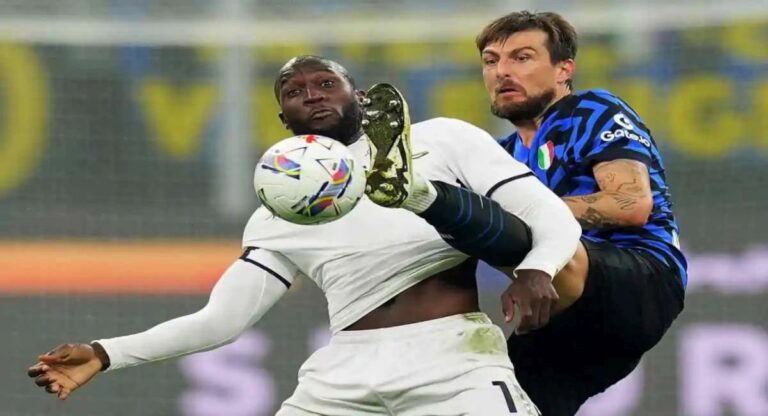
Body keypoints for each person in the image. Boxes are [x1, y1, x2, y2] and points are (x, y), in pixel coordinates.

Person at [27, 55, 581, 415]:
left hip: (453, 361)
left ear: (358, 96)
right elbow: (221, 321)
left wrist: (538, 268)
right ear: (284, 120)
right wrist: (105, 353)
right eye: (294, 91)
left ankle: (410, 190)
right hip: (341, 376)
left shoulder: (443, 139)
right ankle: (408, 192)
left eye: (325, 84)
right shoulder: (278, 212)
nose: (311, 94)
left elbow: (549, 214)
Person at [475, 11, 686, 415]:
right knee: (497, 400)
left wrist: (530, 220)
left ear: (564, 69)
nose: (502, 71)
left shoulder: (591, 110)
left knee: (489, 217)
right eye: (491, 60)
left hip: (639, 277)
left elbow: (632, 204)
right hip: (564, 309)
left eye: (522, 57)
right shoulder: (499, 156)